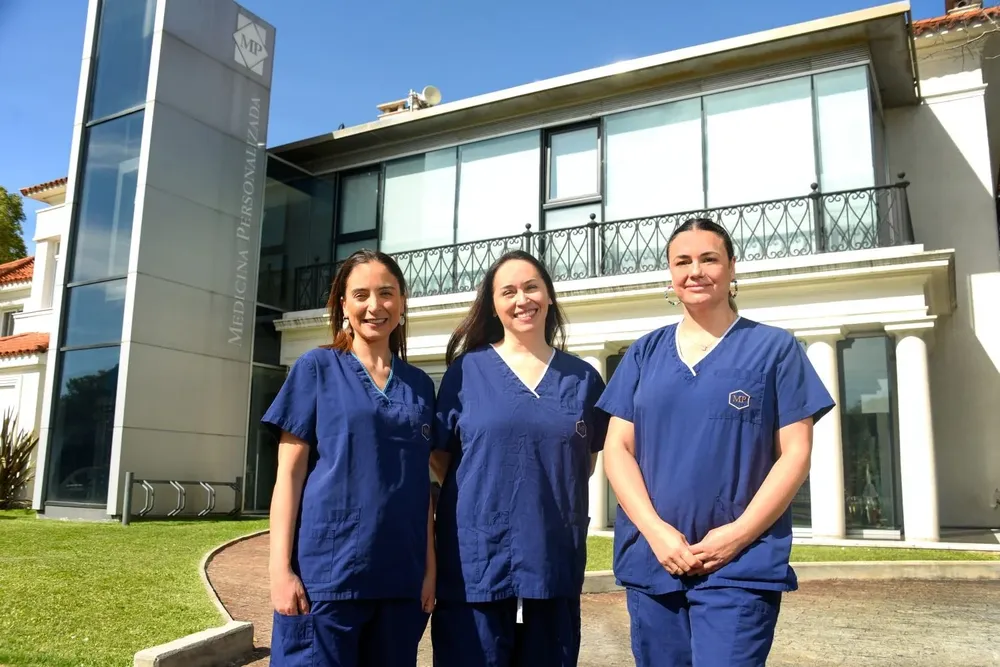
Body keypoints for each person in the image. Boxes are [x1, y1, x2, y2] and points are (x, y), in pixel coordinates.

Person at [597, 218, 836, 667]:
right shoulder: (644, 353)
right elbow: (617, 450)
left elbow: (796, 453)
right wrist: (655, 530)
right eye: (682, 261)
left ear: (731, 268)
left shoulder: (774, 349)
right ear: (670, 274)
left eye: (709, 259)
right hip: (655, 560)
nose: (695, 271)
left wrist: (737, 536)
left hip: (739, 566)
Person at [429, 250, 609, 667]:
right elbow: (441, 459)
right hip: (475, 565)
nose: (521, 299)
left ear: (548, 297)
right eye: (507, 291)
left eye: (531, 287)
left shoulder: (582, 378)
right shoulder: (465, 373)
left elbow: (586, 460)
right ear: (493, 304)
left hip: (553, 560)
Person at [263, 250, 437, 667]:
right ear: (343, 304)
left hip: (399, 579)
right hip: (326, 578)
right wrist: (279, 571)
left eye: (386, 293)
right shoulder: (316, 368)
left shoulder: (419, 386)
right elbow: (288, 476)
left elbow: (421, 486)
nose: (374, 306)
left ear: (401, 303)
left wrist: (429, 567)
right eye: (361, 294)